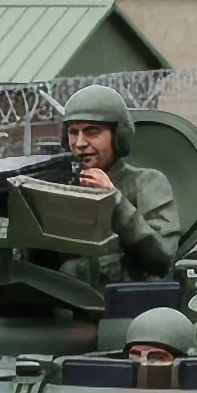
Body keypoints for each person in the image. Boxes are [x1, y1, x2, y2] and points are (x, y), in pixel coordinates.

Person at [60, 85, 180, 285]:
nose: (80, 143)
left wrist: (114, 200)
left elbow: (163, 257)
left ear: (118, 136)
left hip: (124, 301)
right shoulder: (61, 184)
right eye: (73, 132)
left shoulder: (147, 183)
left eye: (92, 131)